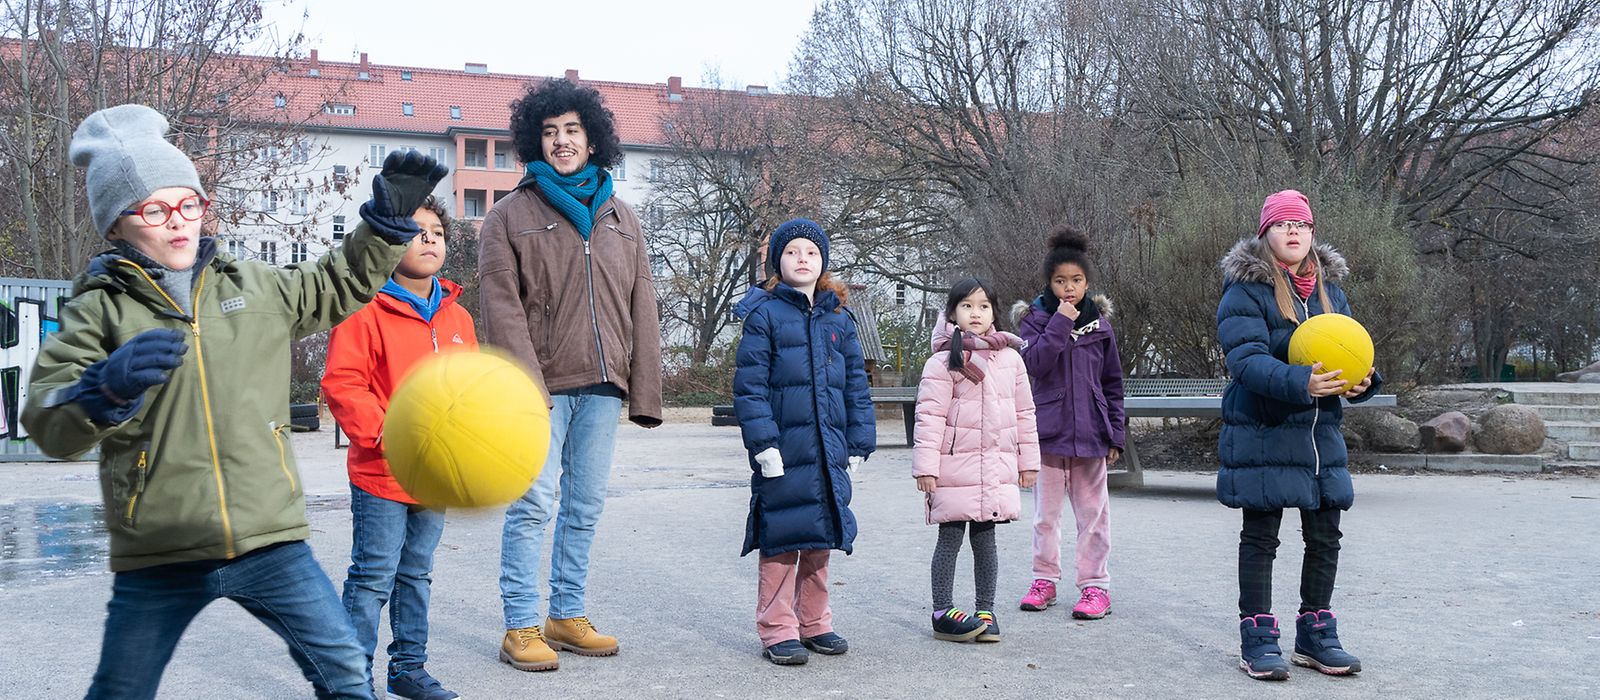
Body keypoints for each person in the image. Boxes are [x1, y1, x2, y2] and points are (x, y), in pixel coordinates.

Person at [23, 103, 445, 699]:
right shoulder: (99, 311)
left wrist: (382, 227)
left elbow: (336, 282)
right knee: (120, 689)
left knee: (347, 671)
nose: (178, 221)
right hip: (161, 550)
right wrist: (102, 390)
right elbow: (47, 423)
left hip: (268, 537)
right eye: (154, 208)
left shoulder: (253, 286)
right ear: (116, 224)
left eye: (189, 202)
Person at [478, 78, 663, 672]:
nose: (561, 141)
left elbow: (642, 306)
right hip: (541, 386)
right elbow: (501, 306)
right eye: (550, 132)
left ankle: (566, 614)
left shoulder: (621, 217)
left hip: (603, 385)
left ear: (593, 139)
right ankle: (520, 625)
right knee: (533, 504)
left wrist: (643, 387)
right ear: (536, 139)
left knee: (584, 506)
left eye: (572, 131)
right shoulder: (508, 215)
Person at [1216, 189, 1381, 680]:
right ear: (1265, 232)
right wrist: (1299, 381)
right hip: (1264, 431)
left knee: (1326, 535)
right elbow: (1245, 361)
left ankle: (1315, 632)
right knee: (1261, 536)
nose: (1293, 232)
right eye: (1283, 224)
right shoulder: (1244, 289)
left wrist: (1364, 382)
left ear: (1312, 233)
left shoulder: (1331, 291)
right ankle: (1259, 636)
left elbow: (1349, 351)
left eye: (1302, 224)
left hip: (1319, 436)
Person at [322, 195, 475, 700]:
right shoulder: (364, 310)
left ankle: (408, 668)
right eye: (416, 231)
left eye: (437, 231)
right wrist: (389, 434)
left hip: (433, 473)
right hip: (382, 472)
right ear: (391, 244)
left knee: (416, 573)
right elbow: (344, 384)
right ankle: (351, 678)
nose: (429, 238)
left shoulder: (460, 320)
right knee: (372, 576)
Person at [732, 218, 875, 666]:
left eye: (811, 252)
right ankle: (777, 628)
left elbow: (856, 386)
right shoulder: (765, 316)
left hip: (828, 447)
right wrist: (764, 444)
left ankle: (815, 622)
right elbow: (750, 386)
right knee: (781, 535)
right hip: (783, 448)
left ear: (823, 262)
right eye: (792, 252)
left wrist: (858, 442)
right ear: (778, 261)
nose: (802, 259)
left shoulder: (839, 320)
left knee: (819, 534)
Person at [912, 278, 1040, 643]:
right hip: (954, 468)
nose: (976, 313)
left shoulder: (1011, 359)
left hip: (994, 468)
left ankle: (986, 609)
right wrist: (926, 467)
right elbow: (930, 416)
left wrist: (1027, 462)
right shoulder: (942, 360)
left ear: (994, 313)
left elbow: (1024, 413)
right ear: (952, 312)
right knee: (949, 539)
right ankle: (942, 610)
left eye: (984, 306)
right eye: (967, 306)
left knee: (987, 541)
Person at [1014, 227, 1126, 620]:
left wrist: (1116, 433)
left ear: (1087, 282)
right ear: (1049, 283)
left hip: (1091, 436)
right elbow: (1036, 364)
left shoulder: (1102, 328)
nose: (1069, 288)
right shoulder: (1033, 321)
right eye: (1060, 281)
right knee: (1046, 517)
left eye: (1076, 281)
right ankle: (1044, 579)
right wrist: (1061, 321)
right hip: (1048, 435)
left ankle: (1095, 586)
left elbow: (1113, 384)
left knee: (1093, 516)